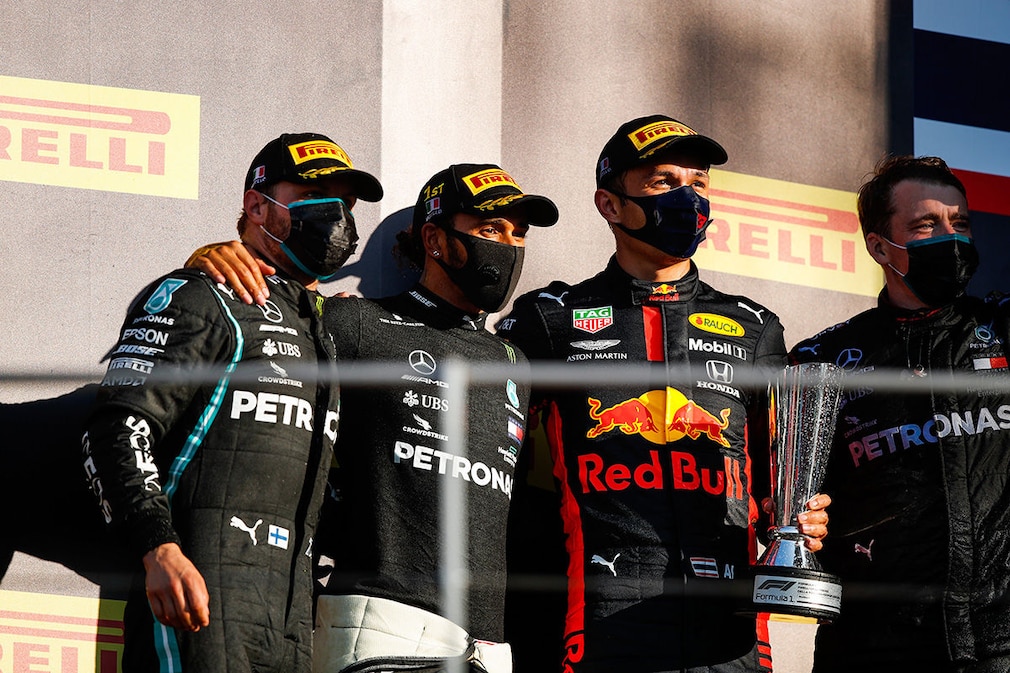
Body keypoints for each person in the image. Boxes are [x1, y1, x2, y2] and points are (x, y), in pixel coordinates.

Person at [187, 163, 559, 673]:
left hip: (487, 647)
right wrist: (211, 260)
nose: (509, 247)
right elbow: (253, 324)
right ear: (434, 238)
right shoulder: (358, 322)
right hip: (383, 627)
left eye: (519, 234)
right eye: (491, 229)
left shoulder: (514, 360)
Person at [496, 114, 830, 673]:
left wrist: (800, 516)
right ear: (609, 204)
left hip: (731, 630)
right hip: (603, 616)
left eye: (698, 183)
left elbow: (778, 479)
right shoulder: (550, 318)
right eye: (663, 182)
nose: (688, 197)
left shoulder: (754, 326)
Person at [83, 132, 382, 673]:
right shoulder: (201, 293)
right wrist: (158, 548)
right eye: (313, 196)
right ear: (256, 207)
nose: (336, 215)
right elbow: (116, 428)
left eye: (346, 202)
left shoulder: (323, 328)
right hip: (198, 601)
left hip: (291, 619)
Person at [790, 155, 1010, 672]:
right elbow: (793, 502)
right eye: (926, 225)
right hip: (875, 646)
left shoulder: (1003, 329)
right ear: (878, 246)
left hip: (1001, 640)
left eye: (960, 223)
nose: (950, 238)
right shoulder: (822, 360)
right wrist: (803, 522)